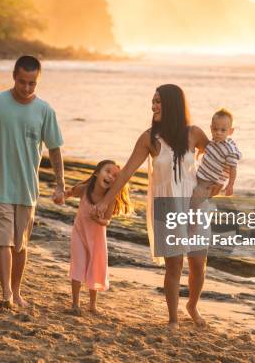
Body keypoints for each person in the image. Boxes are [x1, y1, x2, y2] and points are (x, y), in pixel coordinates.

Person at [94, 84, 218, 328]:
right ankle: (173, 319)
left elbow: (216, 158)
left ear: (173, 104)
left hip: (195, 206)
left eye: (158, 101)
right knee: (174, 265)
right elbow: (127, 171)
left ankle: (192, 305)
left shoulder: (193, 133)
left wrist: (217, 185)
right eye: (153, 101)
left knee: (197, 263)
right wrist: (105, 201)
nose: (153, 106)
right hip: (167, 207)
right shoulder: (149, 138)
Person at [0, 55, 65, 308]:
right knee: (3, 242)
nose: (26, 88)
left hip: (26, 189)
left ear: (38, 81)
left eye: (32, 83)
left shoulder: (45, 110)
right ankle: (6, 295)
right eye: (22, 82)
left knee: (20, 246)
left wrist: (60, 184)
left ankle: (16, 290)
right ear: (14, 75)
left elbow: (55, 150)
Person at [65, 160, 132, 315]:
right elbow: (70, 192)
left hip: (97, 240)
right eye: (108, 171)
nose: (110, 176)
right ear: (96, 173)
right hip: (80, 234)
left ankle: (92, 305)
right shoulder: (84, 190)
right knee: (78, 266)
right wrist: (62, 196)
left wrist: (98, 219)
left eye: (115, 176)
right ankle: (75, 303)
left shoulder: (110, 199)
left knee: (95, 269)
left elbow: (107, 221)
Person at [190, 108, 241, 209]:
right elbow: (211, 150)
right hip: (200, 177)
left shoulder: (229, 150)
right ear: (211, 128)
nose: (218, 132)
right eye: (215, 129)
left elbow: (233, 169)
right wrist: (203, 151)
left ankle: (194, 217)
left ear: (230, 131)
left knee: (193, 203)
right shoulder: (214, 141)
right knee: (193, 198)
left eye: (223, 130)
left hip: (209, 182)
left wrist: (230, 185)